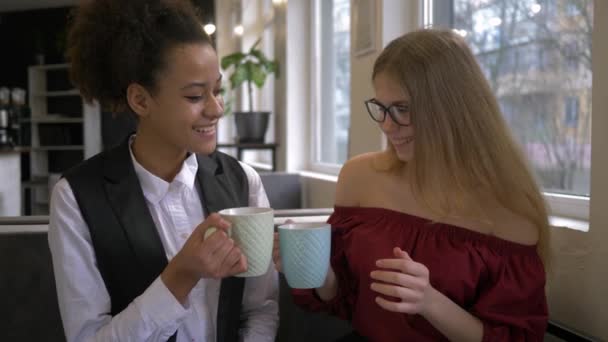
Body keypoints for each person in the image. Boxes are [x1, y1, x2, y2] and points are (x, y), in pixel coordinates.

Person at [273, 29, 549, 341]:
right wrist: (316, 267)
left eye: (402, 109)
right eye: (383, 108)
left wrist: (430, 302)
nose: (387, 126)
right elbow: (342, 299)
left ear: (451, 109)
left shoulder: (511, 210)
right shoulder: (359, 177)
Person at [47, 1, 278, 341]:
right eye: (195, 96)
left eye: (217, 90)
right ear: (140, 100)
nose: (216, 109)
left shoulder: (243, 182)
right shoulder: (76, 199)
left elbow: (260, 308)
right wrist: (180, 276)